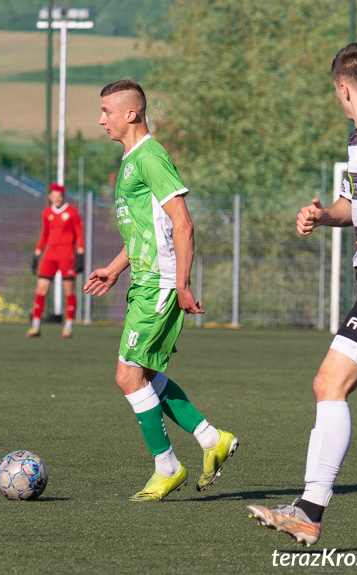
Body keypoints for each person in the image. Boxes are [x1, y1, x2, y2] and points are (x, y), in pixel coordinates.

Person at [247, 43, 357, 546]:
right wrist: (325, 216)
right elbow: (355, 205)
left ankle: (307, 509)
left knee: (329, 384)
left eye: (336, 93)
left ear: (343, 89)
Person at [84, 79, 238, 501]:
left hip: (160, 282)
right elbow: (143, 229)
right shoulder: (132, 160)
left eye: (107, 112)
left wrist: (181, 284)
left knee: (128, 376)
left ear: (131, 113)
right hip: (144, 278)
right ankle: (212, 440)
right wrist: (115, 269)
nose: (101, 120)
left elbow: (182, 223)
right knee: (146, 374)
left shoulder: (150, 156)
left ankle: (166, 466)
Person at [25, 183, 85, 339]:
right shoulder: (46, 213)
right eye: (54, 196)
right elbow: (44, 234)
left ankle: (68, 326)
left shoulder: (72, 212)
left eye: (59, 196)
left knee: (69, 291)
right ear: (50, 197)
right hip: (49, 256)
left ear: (63, 197)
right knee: (40, 289)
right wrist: (37, 255)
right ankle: (35, 327)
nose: (56, 199)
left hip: (67, 256)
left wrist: (80, 255)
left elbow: (79, 234)